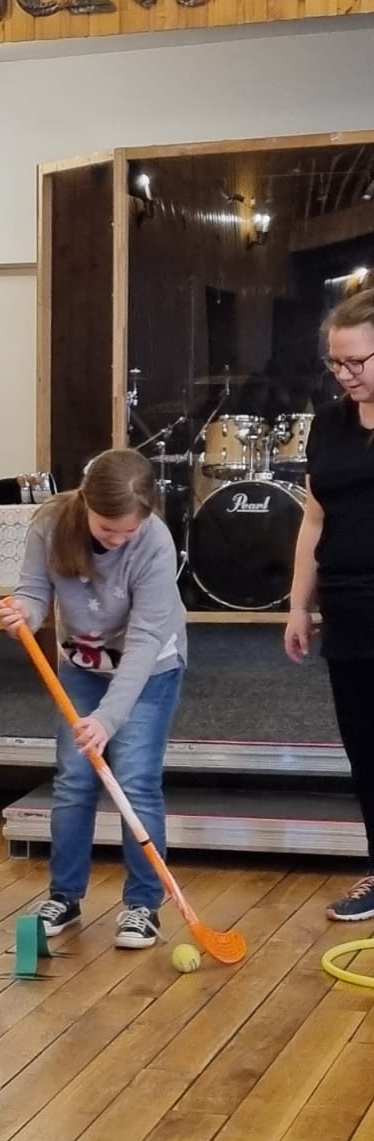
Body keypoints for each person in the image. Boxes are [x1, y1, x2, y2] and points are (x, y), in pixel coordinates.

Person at [0, 449, 186, 950]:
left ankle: (143, 905)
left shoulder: (155, 543)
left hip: (149, 669)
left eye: (129, 531)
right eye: (107, 529)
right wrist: (23, 614)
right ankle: (64, 896)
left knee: (136, 780)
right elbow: (34, 592)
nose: (118, 540)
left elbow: (144, 641)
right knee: (75, 779)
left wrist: (107, 719)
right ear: (85, 503)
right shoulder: (51, 524)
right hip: (81, 666)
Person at [285, 287, 374, 921]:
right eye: (335, 363)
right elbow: (314, 518)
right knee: (365, 750)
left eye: (357, 362)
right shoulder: (329, 423)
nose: (345, 374)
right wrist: (299, 605)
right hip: (347, 609)